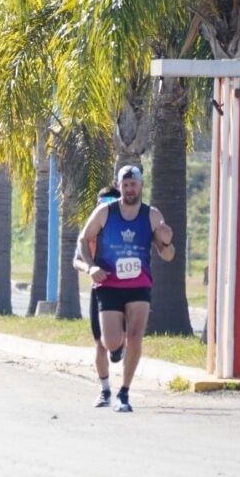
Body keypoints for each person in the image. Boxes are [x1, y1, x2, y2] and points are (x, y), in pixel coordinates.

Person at [76, 166, 175, 413]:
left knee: (135, 337)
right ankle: (116, 349)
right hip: (108, 283)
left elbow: (168, 255)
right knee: (110, 342)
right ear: (119, 186)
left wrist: (167, 240)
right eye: (126, 185)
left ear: (141, 186)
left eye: (134, 184)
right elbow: (82, 239)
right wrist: (91, 267)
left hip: (139, 285)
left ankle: (124, 392)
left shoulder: (151, 215)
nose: (130, 189)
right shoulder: (105, 212)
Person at [72, 186, 123, 407]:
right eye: (101, 204)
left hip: (127, 290)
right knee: (100, 344)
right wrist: (89, 268)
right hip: (100, 289)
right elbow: (76, 260)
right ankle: (104, 391)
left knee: (123, 336)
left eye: (110, 204)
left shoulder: (128, 227)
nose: (105, 209)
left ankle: (119, 345)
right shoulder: (89, 232)